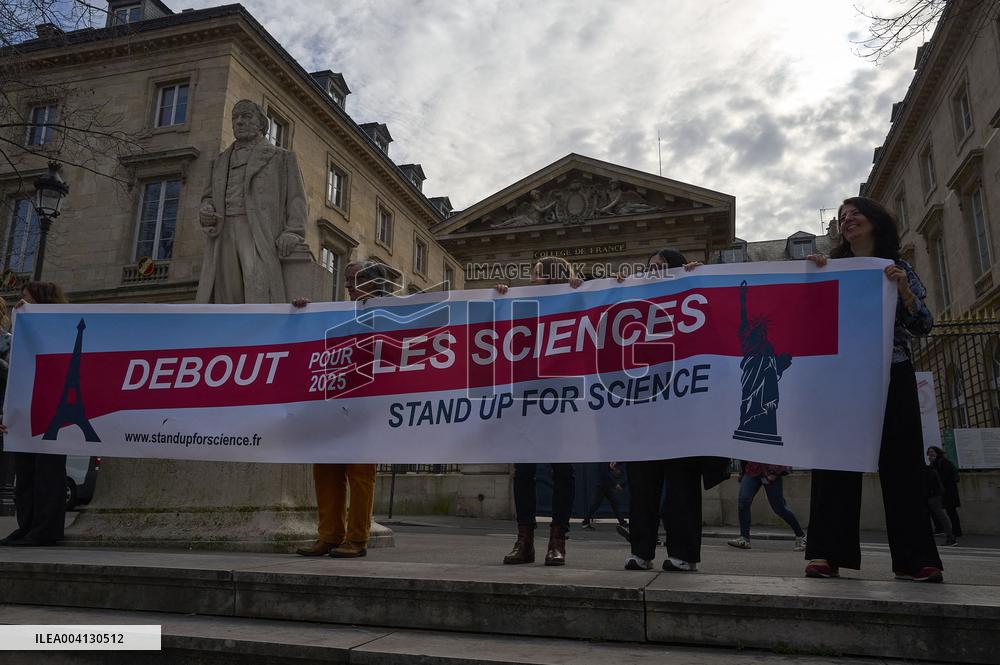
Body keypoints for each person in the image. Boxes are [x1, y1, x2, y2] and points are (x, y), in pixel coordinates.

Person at [804, 197, 943, 582]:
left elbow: (923, 326)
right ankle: (826, 553)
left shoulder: (898, 269)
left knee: (904, 463)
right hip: (842, 375)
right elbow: (807, 319)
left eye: (856, 214)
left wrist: (905, 293)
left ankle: (915, 558)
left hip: (891, 370)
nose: (848, 220)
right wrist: (810, 276)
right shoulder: (830, 268)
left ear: (876, 222)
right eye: (843, 217)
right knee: (834, 459)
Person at [622, 249, 731, 572]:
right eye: (650, 268)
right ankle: (641, 551)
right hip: (645, 411)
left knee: (682, 487)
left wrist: (699, 279)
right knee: (642, 487)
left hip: (683, 412)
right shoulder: (636, 304)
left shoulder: (693, 297)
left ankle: (683, 554)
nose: (653, 272)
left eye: (661, 267)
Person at [293, 260, 388, 558]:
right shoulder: (339, 313)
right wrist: (303, 313)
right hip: (332, 403)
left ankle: (357, 538)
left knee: (360, 473)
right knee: (325, 470)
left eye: (353, 279)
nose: (347, 285)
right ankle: (329, 535)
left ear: (373, 282)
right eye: (346, 279)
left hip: (367, 407)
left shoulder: (392, 313)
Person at [496, 257, 581, 566]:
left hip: (561, 396)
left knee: (562, 470)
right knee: (524, 470)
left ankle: (557, 540)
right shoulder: (524, 305)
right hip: (527, 394)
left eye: (536, 275)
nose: (531, 280)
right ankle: (525, 540)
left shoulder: (575, 300)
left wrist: (579, 293)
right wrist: (499, 298)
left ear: (552, 277)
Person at [197, 99, 308, 304]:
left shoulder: (281, 158)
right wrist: (206, 209)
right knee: (226, 293)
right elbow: (208, 197)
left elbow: (297, 199)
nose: (239, 122)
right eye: (235, 118)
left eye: (246, 116)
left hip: (258, 230)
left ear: (262, 124)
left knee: (257, 286)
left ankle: (260, 324)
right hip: (223, 230)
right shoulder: (219, 161)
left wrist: (293, 232)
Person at [0, 282, 70, 547]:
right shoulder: (21, 333)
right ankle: (27, 525)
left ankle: (45, 528)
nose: (21, 303)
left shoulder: (59, 328)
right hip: (26, 408)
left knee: (47, 472)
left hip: (50, 408)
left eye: (27, 299)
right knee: (26, 471)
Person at [727, 461, 806, 550]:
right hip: (751, 470)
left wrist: (776, 472)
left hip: (770, 471)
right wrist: (743, 472)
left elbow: (781, 454)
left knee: (779, 508)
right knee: (743, 502)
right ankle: (744, 539)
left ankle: (801, 536)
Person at [580, 462, 627, 531]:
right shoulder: (603, 462)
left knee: (613, 502)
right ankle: (585, 522)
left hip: (605, 485)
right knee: (597, 504)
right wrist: (615, 484)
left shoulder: (605, 461)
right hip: (602, 486)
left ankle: (622, 522)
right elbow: (604, 474)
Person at [927, 446, 961, 538]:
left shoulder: (943, 462)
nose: (930, 454)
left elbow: (942, 477)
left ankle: (956, 531)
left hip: (948, 491)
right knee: (946, 511)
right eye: (929, 452)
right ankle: (947, 530)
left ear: (937, 452)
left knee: (951, 511)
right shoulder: (936, 463)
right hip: (944, 491)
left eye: (932, 451)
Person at [923, 463, 956, 547]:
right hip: (935, 495)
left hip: (932, 496)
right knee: (941, 516)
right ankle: (950, 536)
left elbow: (929, 485)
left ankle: (950, 537)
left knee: (941, 516)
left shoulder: (926, 471)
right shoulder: (930, 470)